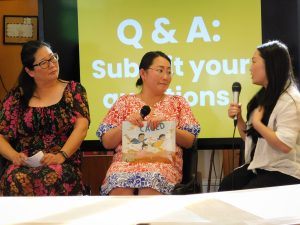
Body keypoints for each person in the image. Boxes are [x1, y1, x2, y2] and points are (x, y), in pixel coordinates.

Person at [96, 51, 200, 195]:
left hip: (162, 165)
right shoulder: (124, 102)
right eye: (160, 70)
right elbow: (107, 142)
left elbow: (189, 141)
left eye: (169, 72)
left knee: (150, 184)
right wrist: (125, 126)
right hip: (125, 164)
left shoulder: (178, 103)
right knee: (119, 184)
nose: (166, 77)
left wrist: (169, 127)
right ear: (143, 73)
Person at [0, 40, 90, 196]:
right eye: (44, 63)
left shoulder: (73, 90)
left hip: (62, 159)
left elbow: (81, 128)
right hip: (24, 163)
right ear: (30, 71)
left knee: (57, 175)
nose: (52, 64)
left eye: (53, 57)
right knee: (14, 178)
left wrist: (61, 156)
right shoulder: (16, 97)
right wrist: (14, 156)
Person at [219, 40, 300, 191]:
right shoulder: (263, 97)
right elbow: (250, 138)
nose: (250, 68)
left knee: (248, 194)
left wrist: (258, 124)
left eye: (254, 62)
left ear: (270, 65)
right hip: (260, 166)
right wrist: (240, 119)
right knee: (227, 185)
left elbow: (285, 145)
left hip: (285, 171)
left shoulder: (291, 100)